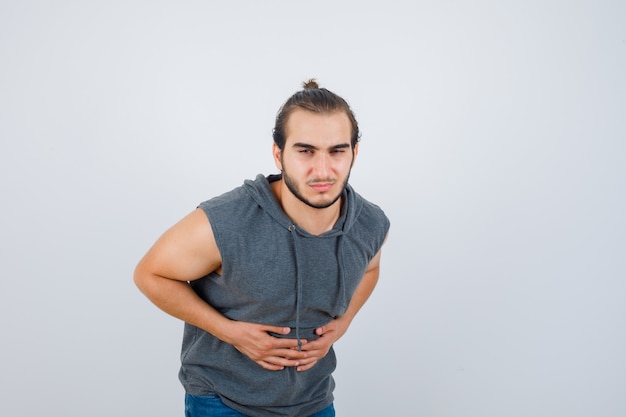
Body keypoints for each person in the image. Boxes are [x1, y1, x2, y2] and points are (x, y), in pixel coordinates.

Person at [134, 79, 390, 417]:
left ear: (354, 153)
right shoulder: (226, 221)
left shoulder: (369, 224)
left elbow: (369, 268)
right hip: (223, 401)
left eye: (337, 151)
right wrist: (229, 332)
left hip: (314, 401)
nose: (323, 170)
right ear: (278, 153)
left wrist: (345, 322)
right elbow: (150, 274)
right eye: (305, 151)